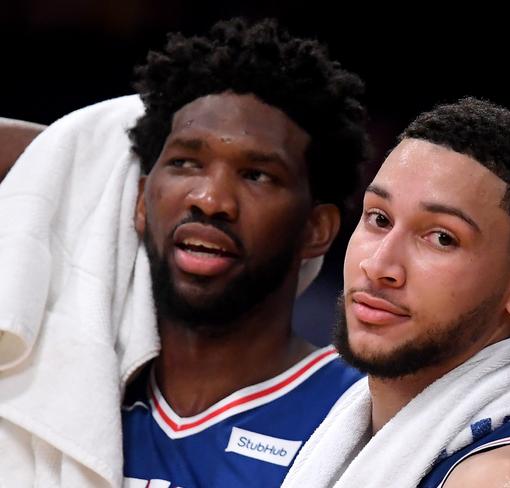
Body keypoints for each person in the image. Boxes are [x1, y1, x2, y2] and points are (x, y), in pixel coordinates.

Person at [0, 18, 369, 488]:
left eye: (257, 174)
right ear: (139, 201)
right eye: (185, 163)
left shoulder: (360, 414)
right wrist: (74, 147)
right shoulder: (69, 399)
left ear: (317, 229)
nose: (210, 199)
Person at [281, 97, 510, 488]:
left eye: (441, 238)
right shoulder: (338, 430)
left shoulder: (507, 478)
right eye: (379, 218)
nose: (379, 266)